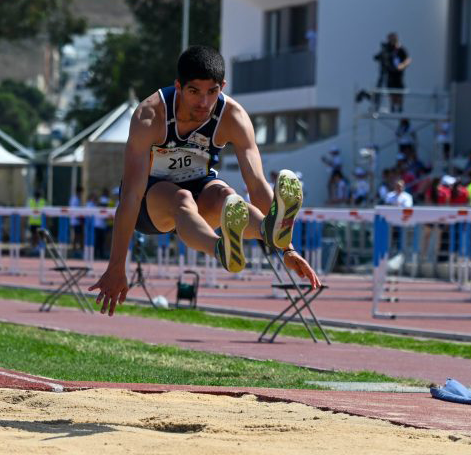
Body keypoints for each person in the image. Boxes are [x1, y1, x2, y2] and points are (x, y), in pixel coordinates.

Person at [90, 46, 319, 315]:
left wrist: (287, 249)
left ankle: (270, 232)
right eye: (194, 92)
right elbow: (130, 195)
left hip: (201, 187)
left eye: (212, 92)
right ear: (178, 86)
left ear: (222, 86)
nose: (203, 103)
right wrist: (116, 266)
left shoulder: (233, 116)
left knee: (227, 196)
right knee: (181, 199)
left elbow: (256, 184)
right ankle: (221, 250)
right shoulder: (150, 116)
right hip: (150, 202)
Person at [378, 32, 411, 113]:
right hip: (390, 74)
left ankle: (400, 107)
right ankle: (392, 106)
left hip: (398, 75)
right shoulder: (387, 49)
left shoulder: (401, 49)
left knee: (399, 91)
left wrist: (402, 65)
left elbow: (408, 59)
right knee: (391, 90)